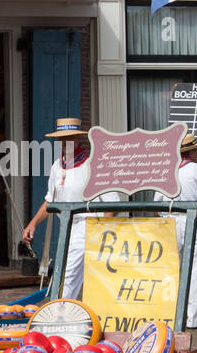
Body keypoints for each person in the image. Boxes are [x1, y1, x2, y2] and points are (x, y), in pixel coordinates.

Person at [22, 118, 124, 299]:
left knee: (68, 275)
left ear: (78, 138)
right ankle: (67, 310)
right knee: (69, 274)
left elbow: (112, 203)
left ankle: (61, 311)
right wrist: (33, 223)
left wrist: (101, 232)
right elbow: (50, 201)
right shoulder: (56, 166)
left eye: (70, 138)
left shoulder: (94, 164)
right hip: (67, 227)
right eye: (62, 138)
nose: (65, 142)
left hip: (90, 225)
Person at [153, 132, 197, 329]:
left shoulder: (166, 171)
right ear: (191, 152)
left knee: (170, 270)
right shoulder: (196, 170)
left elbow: (155, 204)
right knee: (195, 269)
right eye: (196, 150)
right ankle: (193, 318)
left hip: (170, 221)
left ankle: (168, 313)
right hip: (192, 219)